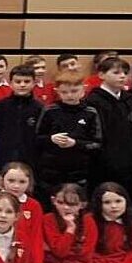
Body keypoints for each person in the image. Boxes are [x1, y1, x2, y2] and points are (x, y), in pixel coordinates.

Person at [35, 72, 103, 200]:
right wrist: (51, 139)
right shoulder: (50, 110)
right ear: (58, 92)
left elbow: (97, 143)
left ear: (83, 89)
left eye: (74, 91)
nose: (69, 95)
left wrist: (75, 143)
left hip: (79, 172)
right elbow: (37, 139)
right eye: (64, 92)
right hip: (51, 172)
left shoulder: (90, 112)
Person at [35, 183, 103, 263]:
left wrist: (60, 253)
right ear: (53, 201)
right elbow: (60, 251)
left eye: (72, 204)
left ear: (82, 205)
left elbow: (85, 253)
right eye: (60, 202)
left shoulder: (89, 222)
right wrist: (70, 229)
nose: (65, 207)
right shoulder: (48, 220)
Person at [84, 56, 132, 196]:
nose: (122, 76)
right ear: (101, 75)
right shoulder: (93, 101)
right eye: (116, 73)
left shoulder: (130, 100)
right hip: (103, 163)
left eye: (124, 73)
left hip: (130, 161)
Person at [0, 64, 43, 174]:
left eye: (27, 81)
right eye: (18, 81)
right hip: (1, 162)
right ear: (11, 83)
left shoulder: (40, 109)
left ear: (34, 83)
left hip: (30, 163)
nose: (22, 85)